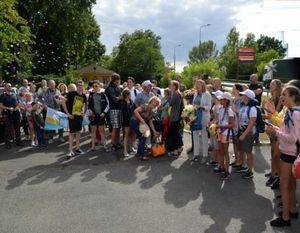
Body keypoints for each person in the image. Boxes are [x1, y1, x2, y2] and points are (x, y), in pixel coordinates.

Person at [266, 85, 300, 227]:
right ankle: (292, 209)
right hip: (290, 151)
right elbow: (288, 131)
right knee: (291, 184)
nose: (282, 97)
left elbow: (293, 138)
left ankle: (285, 218)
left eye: (285, 94)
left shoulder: (295, 114)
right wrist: (276, 128)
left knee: (284, 185)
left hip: (290, 153)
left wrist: (276, 133)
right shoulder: (291, 112)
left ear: (293, 97)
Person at [263, 79, 283, 188]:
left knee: (276, 154)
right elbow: (269, 113)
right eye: (270, 84)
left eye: (273, 84)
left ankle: (276, 176)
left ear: (278, 86)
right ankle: (273, 172)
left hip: (277, 127)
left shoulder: (280, 98)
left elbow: (277, 114)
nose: (271, 85)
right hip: (270, 125)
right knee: (272, 151)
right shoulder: (271, 97)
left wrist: (264, 114)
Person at [62, 80, 87, 159]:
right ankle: (70, 151)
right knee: (71, 133)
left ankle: (77, 148)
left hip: (79, 116)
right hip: (72, 116)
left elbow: (86, 105)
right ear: (77, 86)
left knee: (78, 132)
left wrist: (84, 113)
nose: (80, 86)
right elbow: (63, 102)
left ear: (83, 86)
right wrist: (68, 114)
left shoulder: (84, 96)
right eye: (79, 85)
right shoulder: (71, 93)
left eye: (81, 85)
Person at [130, 96, 161, 161]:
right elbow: (135, 111)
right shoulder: (145, 106)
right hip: (134, 121)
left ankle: (139, 153)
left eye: (157, 103)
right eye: (154, 102)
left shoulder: (152, 112)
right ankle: (141, 155)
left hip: (140, 124)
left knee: (142, 137)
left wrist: (154, 131)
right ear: (151, 101)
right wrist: (141, 119)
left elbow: (150, 122)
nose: (155, 104)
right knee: (142, 137)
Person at [235, 89, 257, 179]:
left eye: (243, 95)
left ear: (248, 97)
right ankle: (242, 165)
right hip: (241, 131)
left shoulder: (252, 109)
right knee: (241, 149)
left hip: (248, 133)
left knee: (248, 152)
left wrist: (244, 134)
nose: (241, 96)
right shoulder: (244, 106)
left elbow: (251, 124)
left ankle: (250, 171)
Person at [190, 79, 212, 163]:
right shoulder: (195, 93)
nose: (197, 86)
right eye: (196, 84)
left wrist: (202, 107)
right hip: (195, 117)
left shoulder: (206, 94)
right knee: (195, 134)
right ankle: (195, 154)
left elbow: (209, 107)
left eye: (199, 84)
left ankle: (205, 155)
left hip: (203, 117)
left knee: (204, 136)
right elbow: (193, 104)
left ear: (203, 85)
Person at [215, 93, 235, 179]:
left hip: (226, 133)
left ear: (226, 100)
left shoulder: (230, 111)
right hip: (219, 131)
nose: (220, 100)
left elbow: (232, 125)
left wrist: (220, 126)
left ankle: (227, 171)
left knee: (225, 152)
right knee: (220, 150)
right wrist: (214, 124)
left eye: (222, 99)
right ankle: (221, 167)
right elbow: (219, 120)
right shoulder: (220, 108)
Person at [87, 80, 109, 152]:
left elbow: (107, 104)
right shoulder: (91, 94)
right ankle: (93, 147)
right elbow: (88, 105)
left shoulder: (103, 94)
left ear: (99, 86)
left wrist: (104, 113)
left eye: (96, 86)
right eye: (93, 86)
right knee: (93, 131)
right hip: (93, 115)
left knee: (101, 131)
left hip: (101, 115)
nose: (94, 87)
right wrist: (90, 111)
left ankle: (105, 146)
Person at [0, 83, 22, 149]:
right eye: (8, 86)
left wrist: (17, 108)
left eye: (10, 86)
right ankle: (7, 144)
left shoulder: (14, 94)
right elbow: (1, 106)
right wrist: (9, 108)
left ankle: (18, 142)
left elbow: (19, 103)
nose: (10, 87)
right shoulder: (2, 96)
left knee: (17, 129)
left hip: (16, 114)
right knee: (7, 130)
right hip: (7, 114)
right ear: (5, 88)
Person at [165, 80, 184, 157]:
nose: (170, 86)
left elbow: (170, 103)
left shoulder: (175, 94)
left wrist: (169, 95)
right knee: (176, 133)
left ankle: (175, 151)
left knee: (173, 133)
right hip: (177, 116)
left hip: (175, 116)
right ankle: (179, 148)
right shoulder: (178, 93)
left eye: (171, 85)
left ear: (175, 86)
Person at [105, 73, 123, 150]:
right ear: (117, 80)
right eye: (119, 80)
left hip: (118, 109)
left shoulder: (117, 87)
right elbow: (114, 100)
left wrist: (119, 98)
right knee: (114, 128)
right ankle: (113, 144)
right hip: (113, 110)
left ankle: (117, 142)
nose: (120, 81)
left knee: (118, 127)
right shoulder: (110, 88)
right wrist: (120, 97)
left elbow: (118, 98)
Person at [230, 83, 244, 167]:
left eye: (234, 88)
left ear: (239, 90)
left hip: (239, 123)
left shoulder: (242, 99)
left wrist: (234, 109)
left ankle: (241, 161)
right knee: (234, 141)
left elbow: (241, 112)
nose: (233, 90)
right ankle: (236, 159)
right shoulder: (233, 99)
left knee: (239, 143)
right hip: (233, 123)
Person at [120, 89, 136, 157]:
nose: (130, 95)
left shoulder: (131, 101)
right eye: (129, 94)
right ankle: (125, 151)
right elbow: (124, 114)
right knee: (126, 136)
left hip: (132, 121)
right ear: (127, 95)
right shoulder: (123, 103)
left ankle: (131, 147)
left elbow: (134, 110)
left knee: (132, 135)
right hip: (126, 122)